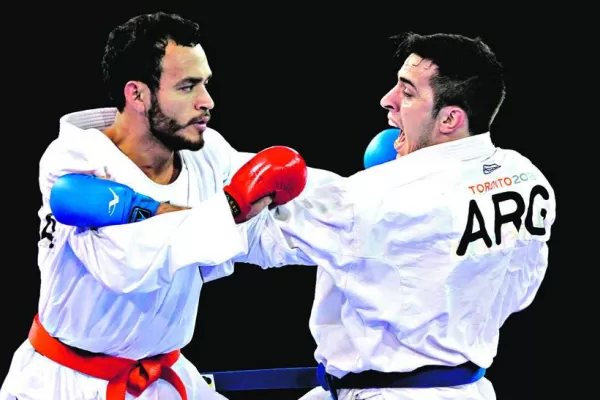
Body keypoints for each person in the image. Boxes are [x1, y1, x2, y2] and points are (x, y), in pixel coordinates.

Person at [0, 12, 334, 400]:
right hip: (68, 384)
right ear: (137, 94)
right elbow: (128, 264)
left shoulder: (208, 155)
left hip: (165, 379)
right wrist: (231, 209)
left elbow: (271, 226)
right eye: (188, 86)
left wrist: (381, 193)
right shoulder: (76, 161)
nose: (206, 101)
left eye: (205, 83)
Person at [239, 32, 557, 399]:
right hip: (468, 388)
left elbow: (252, 239)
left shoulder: (378, 197)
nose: (387, 101)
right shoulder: (527, 178)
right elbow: (520, 291)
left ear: (450, 119)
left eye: (407, 94)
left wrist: (166, 211)